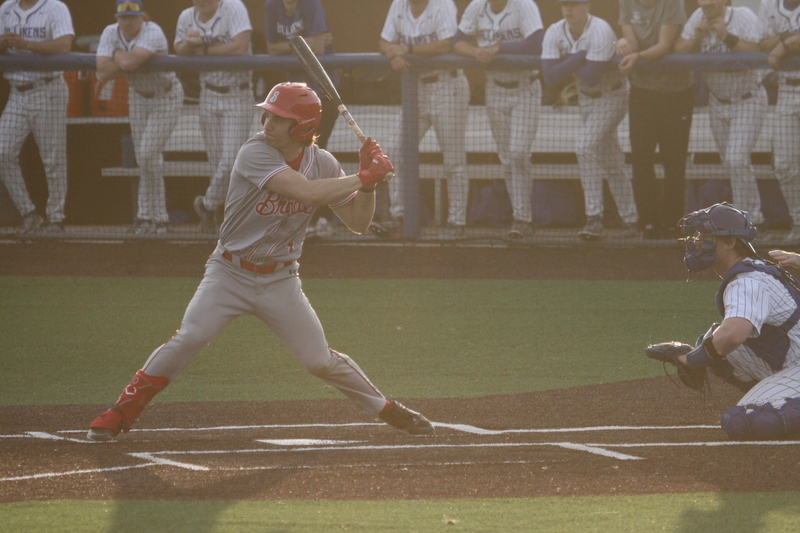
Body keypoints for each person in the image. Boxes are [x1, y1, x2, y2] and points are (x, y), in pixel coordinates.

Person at [86, 82, 433, 442]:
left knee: (319, 360)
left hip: (281, 280)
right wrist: (363, 175)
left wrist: (368, 187)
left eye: (279, 119)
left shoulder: (324, 163)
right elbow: (304, 192)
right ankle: (120, 412)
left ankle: (388, 409)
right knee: (190, 337)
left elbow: (359, 224)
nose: (267, 123)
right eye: (267, 114)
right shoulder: (255, 152)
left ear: (302, 128)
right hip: (229, 272)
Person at [648, 203, 800, 441]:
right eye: (697, 235)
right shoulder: (752, 270)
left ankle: (780, 399)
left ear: (730, 242)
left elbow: (732, 335)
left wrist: (689, 360)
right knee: (712, 344)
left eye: (707, 236)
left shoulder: (747, 281)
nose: (697, 242)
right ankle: (779, 395)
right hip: (792, 360)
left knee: (743, 422)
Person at [541, 0, 639, 241]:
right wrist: (580, 57)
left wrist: (569, 60)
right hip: (586, 99)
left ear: (587, 6)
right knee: (611, 160)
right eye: (565, 5)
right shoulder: (555, 30)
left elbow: (591, 76)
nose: (569, 10)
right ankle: (631, 219)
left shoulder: (601, 29)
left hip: (612, 94)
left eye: (575, 4)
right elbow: (550, 77)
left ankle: (594, 218)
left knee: (584, 147)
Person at [373, 0, 470, 240]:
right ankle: (400, 217)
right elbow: (384, 40)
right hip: (416, 87)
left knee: (453, 160)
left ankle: (457, 222)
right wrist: (392, 53)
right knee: (395, 149)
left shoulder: (443, 5)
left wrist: (407, 50)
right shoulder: (399, 5)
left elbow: (448, 43)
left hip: (447, 85)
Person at [455, 0, 544, 241]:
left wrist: (498, 48)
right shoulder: (477, 7)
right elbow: (457, 41)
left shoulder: (524, 5)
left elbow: (536, 43)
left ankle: (523, 218)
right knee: (507, 158)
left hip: (525, 88)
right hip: (494, 88)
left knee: (518, 153)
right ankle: (520, 217)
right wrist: (476, 52)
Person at [674, 0, 767, 231]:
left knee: (736, 159)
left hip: (747, 98)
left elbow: (760, 49)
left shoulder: (742, 15)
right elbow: (678, 50)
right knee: (732, 162)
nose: (705, 3)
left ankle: (750, 220)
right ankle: (747, 218)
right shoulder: (698, 16)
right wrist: (696, 37)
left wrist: (726, 35)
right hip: (718, 101)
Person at [96, 0, 183, 235]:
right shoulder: (109, 32)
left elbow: (127, 62)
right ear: (117, 18)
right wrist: (124, 58)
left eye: (133, 17)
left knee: (146, 153)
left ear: (142, 16)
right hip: (138, 97)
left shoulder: (152, 31)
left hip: (165, 96)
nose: (128, 22)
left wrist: (116, 53)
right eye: (123, 17)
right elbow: (102, 71)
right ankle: (150, 218)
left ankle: (155, 216)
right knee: (146, 157)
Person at [617, 0, 694, 240]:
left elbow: (664, 45)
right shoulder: (627, 3)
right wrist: (622, 45)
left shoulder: (672, 3)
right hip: (642, 91)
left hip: (677, 92)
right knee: (641, 160)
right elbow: (631, 39)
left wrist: (637, 56)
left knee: (674, 161)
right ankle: (648, 221)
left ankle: (672, 222)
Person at [175, 0, 254, 235]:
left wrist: (204, 50)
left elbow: (240, 46)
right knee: (217, 164)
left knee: (230, 162)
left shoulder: (233, 8)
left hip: (237, 94)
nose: (201, 2)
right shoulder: (187, 16)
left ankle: (207, 206)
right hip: (208, 93)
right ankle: (225, 222)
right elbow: (178, 50)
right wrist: (190, 45)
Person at [264, 0, 339, 238]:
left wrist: (288, 45)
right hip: (293, 97)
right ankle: (294, 219)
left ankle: (324, 219)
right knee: (291, 155)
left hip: (322, 92)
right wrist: (300, 43)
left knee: (316, 155)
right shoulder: (272, 5)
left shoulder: (310, 4)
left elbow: (318, 48)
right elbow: (271, 48)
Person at [0, 0, 74, 234]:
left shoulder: (54, 7)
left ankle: (56, 218)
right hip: (17, 91)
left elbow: (64, 45)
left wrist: (26, 44)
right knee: (2, 152)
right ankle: (29, 213)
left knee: (52, 159)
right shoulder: (6, 8)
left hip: (47, 88)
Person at [758, 0, 800, 244]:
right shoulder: (768, 5)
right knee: (784, 164)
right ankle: (798, 222)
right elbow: (762, 44)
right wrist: (791, 39)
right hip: (786, 88)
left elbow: (774, 44)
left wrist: (783, 43)